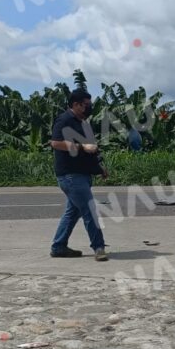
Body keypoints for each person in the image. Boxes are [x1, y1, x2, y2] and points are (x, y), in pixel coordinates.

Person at [49, 89, 109, 261]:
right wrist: (81, 147)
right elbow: (55, 143)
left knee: (72, 213)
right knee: (90, 210)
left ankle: (58, 247)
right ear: (75, 105)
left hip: (82, 175)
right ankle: (98, 247)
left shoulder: (84, 123)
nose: (89, 108)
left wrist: (100, 168)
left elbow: (91, 150)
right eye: (86, 105)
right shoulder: (64, 120)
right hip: (70, 176)